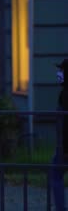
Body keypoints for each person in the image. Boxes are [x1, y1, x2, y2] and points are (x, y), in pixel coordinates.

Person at [52, 59, 68, 211]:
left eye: (62, 71)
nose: (59, 74)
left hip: (65, 146)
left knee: (55, 175)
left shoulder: (65, 95)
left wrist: (63, 148)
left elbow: (63, 124)